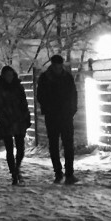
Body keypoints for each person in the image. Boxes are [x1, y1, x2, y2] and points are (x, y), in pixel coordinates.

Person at [36, 54, 78, 184]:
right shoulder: (65, 77)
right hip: (59, 115)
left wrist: (71, 109)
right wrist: (71, 109)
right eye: (57, 66)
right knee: (61, 144)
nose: (58, 68)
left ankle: (63, 173)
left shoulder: (46, 77)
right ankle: (64, 173)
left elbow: (73, 94)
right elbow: (41, 96)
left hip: (59, 115)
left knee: (61, 144)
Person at [0, 65, 31, 185]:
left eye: (11, 75)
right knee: (9, 149)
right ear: (3, 76)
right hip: (6, 121)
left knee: (20, 149)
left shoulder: (18, 87)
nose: (9, 77)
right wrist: (4, 117)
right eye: (7, 75)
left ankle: (17, 168)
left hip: (18, 120)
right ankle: (14, 173)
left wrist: (26, 116)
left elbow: (24, 103)